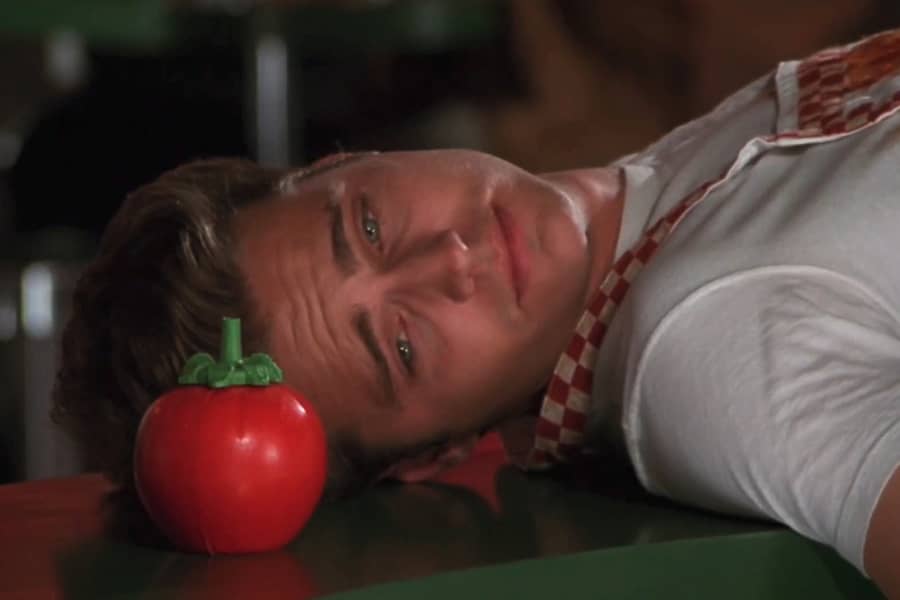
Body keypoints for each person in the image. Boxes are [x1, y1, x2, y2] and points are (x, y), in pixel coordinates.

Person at [52, 29, 900, 596]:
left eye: (371, 224)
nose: (451, 262)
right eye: (404, 346)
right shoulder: (695, 361)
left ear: (349, 160)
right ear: (439, 455)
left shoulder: (665, 183)